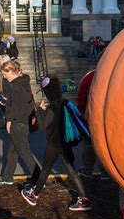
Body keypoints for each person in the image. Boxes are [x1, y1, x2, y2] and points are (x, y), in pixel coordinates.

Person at [21, 75, 91, 211]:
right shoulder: (65, 102)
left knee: (45, 170)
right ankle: (84, 199)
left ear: (48, 92)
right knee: (72, 171)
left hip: (53, 144)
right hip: (65, 144)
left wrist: (40, 110)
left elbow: (41, 126)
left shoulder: (51, 107)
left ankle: (34, 195)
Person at [0, 60, 41, 186]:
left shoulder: (15, 86)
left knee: (25, 153)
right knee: (13, 151)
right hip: (24, 121)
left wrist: (9, 120)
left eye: (5, 74)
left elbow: (15, 107)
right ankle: (7, 177)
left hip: (18, 123)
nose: (4, 77)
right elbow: (23, 103)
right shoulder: (24, 81)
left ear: (11, 71)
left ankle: (39, 179)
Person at [77, 69, 109, 179]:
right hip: (107, 116)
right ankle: (105, 171)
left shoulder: (90, 76)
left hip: (91, 116)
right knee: (104, 145)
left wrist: (81, 113)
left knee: (89, 144)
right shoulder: (112, 75)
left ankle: (87, 169)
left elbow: (81, 97)